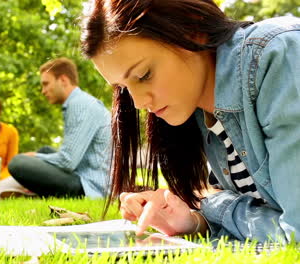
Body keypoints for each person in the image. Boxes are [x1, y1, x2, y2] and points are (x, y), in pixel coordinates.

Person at [80, 0, 300, 243]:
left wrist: (214, 204)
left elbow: (295, 232)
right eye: (123, 88)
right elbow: (269, 215)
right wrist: (193, 220)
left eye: (144, 75)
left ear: (192, 31)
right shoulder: (199, 112)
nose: (139, 102)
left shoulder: (280, 55)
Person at [7, 57, 111, 198]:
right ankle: (28, 191)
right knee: (45, 150)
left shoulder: (80, 105)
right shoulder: (79, 101)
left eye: (46, 84)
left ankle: (23, 190)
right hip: (85, 173)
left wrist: (35, 156)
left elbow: (68, 161)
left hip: (93, 186)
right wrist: (40, 156)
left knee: (17, 163)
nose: (43, 91)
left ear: (63, 80)